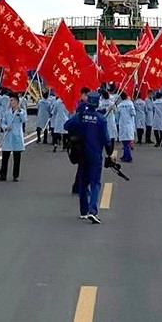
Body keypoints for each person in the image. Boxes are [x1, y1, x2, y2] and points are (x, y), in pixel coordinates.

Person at [65, 91, 108, 224]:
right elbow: (106, 139)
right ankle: (92, 210)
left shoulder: (80, 116)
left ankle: (83, 211)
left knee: (83, 183)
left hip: (82, 153)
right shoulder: (101, 119)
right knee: (95, 183)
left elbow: (66, 126)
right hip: (95, 155)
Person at [0, 94, 27, 181]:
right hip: (8, 135)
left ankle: (15, 175)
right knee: (5, 157)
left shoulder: (21, 111)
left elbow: (24, 120)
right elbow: (2, 123)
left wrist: (20, 112)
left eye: (13, 100)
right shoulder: (7, 112)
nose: (11, 102)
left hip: (17, 136)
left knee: (17, 158)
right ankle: (3, 175)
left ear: (17, 102)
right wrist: (6, 127)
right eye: (10, 100)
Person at [115, 91, 136, 163]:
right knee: (127, 141)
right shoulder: (130, 104)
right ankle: (125, 155)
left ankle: (128, 157)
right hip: (129, 124)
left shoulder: (119, 105)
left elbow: (117, 117)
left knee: (125, 142)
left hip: (122, 124)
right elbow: (133, 113)